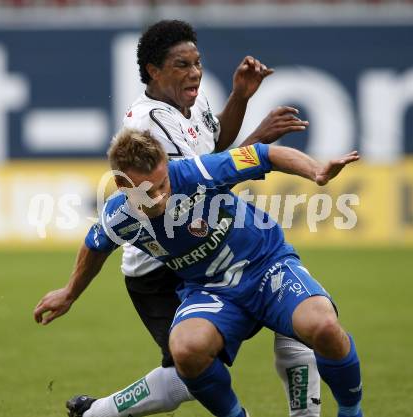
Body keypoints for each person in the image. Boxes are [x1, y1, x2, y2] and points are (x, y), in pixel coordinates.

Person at [34, 20, 320, 417]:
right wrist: (259, 138)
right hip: (159, 266)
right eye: (182, 64)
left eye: (197, 62)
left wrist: (239, 96)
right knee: (193, 370)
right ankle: (97, 413)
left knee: (295, 314)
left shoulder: (192, 101)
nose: (195, 72)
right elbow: (193, 190)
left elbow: (215, 145)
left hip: (199, 246)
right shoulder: (146, 124)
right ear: (154, 70)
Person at [37, 128, 363, 417]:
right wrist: (70, 292)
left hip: (266, 265)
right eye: (148, 191)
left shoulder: (196, 172)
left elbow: (265, 154)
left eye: (163, 183)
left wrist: (316, 171)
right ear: (123, 184)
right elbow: (95, 247)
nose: (160, 196)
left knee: (321, 325)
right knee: (185, 350)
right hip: (210, 290)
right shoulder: (119, 215)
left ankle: (351, 411)